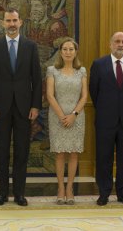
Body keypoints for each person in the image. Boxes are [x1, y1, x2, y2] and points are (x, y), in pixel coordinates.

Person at [0, 8, 42, 206]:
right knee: (1, 151)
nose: (11, 24)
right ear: (3, 23)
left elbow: (37, 79)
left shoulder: (30, 46)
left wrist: (35, 105)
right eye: (8, 20)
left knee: (21, 151)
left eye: (15, 20)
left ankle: (19, 194)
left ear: (21, 22)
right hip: (0, 109)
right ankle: (2, 193)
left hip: (25, 108)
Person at [89, 32, 123, 206]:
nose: (120, 44)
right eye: (117, 41)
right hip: (105, 120)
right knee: (104, 158)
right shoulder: (98, 64)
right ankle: (104, 193)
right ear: (110, 44)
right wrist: (106, 109)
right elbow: (94, 91)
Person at [46, 38, 87, 205]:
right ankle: (60, 189)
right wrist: (62, 115)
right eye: (65, 49)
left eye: (71, 49)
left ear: (76, 52)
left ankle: (70, 188)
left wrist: (73, 114)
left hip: (77, 116)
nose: (68, 52)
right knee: (60, 153)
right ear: (60, 52)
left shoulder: (82, 71)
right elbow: (49, 95)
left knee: (74, 153)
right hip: (57, 116)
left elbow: (84, 96)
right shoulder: (52, 70)